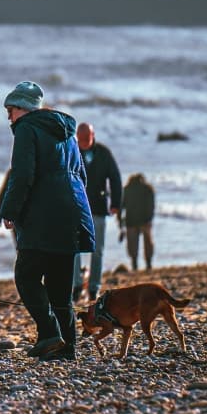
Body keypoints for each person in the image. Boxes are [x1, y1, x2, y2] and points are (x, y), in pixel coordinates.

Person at [0, 83, 93, 361]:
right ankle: (67, 347)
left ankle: (51, 333)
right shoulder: (67, 133)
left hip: (43, 215)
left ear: (23, 109)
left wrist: (10, 210)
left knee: (26, 276)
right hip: (73, 213)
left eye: (10, 110)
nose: (8, 117)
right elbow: (81, 176)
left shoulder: (27, 128)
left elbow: (23, 175)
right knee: (60, 287)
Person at [74, 122, 123, 303]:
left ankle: (94, 287)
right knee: (74, 250)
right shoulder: (72, 151)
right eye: (81, 139)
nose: (85, 142)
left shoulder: (103, 153)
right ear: (77, 137)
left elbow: (115, 178)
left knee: (97, 250)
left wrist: (116, 203)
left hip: (98, 208)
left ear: (93, 136)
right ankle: (77, 286)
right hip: (75, 209)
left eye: (88, 138)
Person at [122, 173, 156, 270]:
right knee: (148, 244)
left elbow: (121, 206)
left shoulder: (127, 189)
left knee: (132, 245)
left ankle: (134, 264)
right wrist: (150, 218)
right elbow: (152, 206)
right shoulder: (148, 189)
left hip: (131, 220)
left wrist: (120, 221)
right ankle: (148, 263)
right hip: (145, 220)